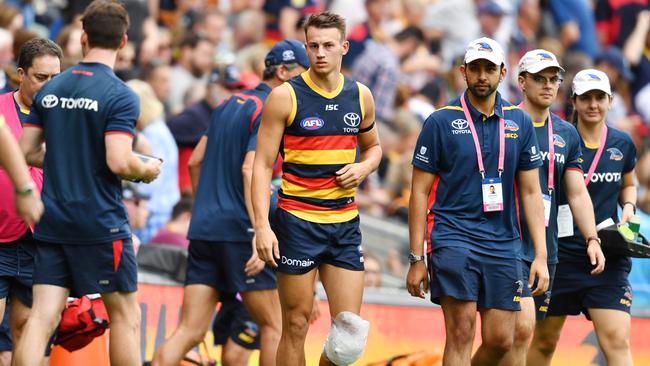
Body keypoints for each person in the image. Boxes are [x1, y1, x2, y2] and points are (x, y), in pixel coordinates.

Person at [15, 1, 161, 365]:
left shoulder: (51, 89)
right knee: (126, 318)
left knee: (41, 319)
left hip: (53, 221)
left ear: (83, 36)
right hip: (101, 224)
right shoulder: (120, 94)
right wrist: (147, 169)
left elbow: (27, 153)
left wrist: (69, 158)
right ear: (124, 41)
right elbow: (118, 160)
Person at [152, 39, 309, 366]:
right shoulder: (271, 108)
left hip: (205, 230)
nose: (307, 84)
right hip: (241, 232)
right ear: (282, 72)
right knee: (275, 325)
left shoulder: (227, 103)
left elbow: (196, 161)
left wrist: (206, 209)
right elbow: (250, 167)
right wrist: (259, 229)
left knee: (190, 331)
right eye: (302, 75)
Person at [406, 37, 550, 366]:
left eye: (489, 69)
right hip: (453, 237)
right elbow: (418, 193)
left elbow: (530, 192)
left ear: (503, 72)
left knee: (502, 339)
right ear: (463, 72)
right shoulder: (440, 121)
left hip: (504, 244)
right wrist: (417, 256)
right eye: (475, 69)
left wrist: (539, 255)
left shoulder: (520, 121)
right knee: (461, 332)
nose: (482, 76)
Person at [252, 12, 382, 365]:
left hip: (344, 223)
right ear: (306, 47)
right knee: (294, 324)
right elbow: (262, 165)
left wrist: (364, 167)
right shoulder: (284, 97)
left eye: (328, 45)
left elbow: (374, 148)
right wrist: (263, 227)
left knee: (349, 335)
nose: (320, 53)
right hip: (297, 222)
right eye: (313, 46)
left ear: (344, 46)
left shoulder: (361, 95)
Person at [500, 50, 607, 366]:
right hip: (505, 243)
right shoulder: (503, 122)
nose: (548, 85)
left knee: (526, 337)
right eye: (539, 78)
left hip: (546, 248)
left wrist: (592, 238)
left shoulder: (566, 133)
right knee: (517, 330)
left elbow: (576, 193)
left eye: (553, 79)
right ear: (522, 81)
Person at [531, 69, 637, 365]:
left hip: (607, 260)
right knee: (544, 342)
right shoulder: (558, 138)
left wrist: (628, 206)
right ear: (574, 101)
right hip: (559, 258)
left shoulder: (622, 144)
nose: (593, 105)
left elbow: (628, 183)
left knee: (617, 340)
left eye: (599, 98)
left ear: (610, 100)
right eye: (586, 98)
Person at [0, 36, 61, 363]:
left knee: (26, 332)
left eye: (56, 78)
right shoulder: (0, 109)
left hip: (41, 240)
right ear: (20, 74)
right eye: (41, 78)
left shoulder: (65, 115)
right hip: (1, 234)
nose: (50, 86)